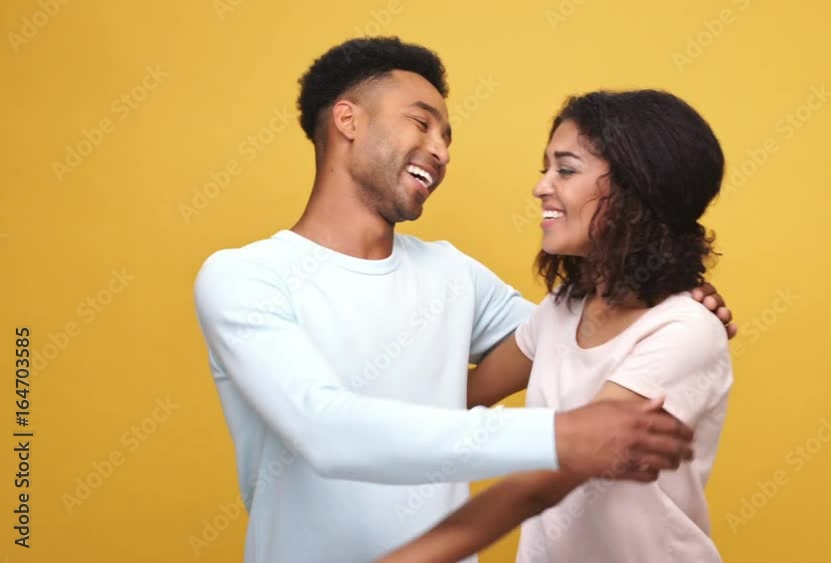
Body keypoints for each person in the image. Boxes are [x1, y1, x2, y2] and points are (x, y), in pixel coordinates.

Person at [192, 37, 736, 563]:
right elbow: (324, 430)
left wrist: (670, 291)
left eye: (448, 135)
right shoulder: (245, 278)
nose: (441, 150)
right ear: (348, 120)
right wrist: (559, 433)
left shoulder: (454, 274)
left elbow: (589, 344)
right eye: (421, 122)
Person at [377, 88, 734, 563]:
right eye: (545, 169)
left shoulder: (687, 329)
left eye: (565, 170)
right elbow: (455, 399)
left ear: (638, 188)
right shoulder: (561, 311)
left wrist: (416, 556)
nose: (542, 187)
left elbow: (560, 468)